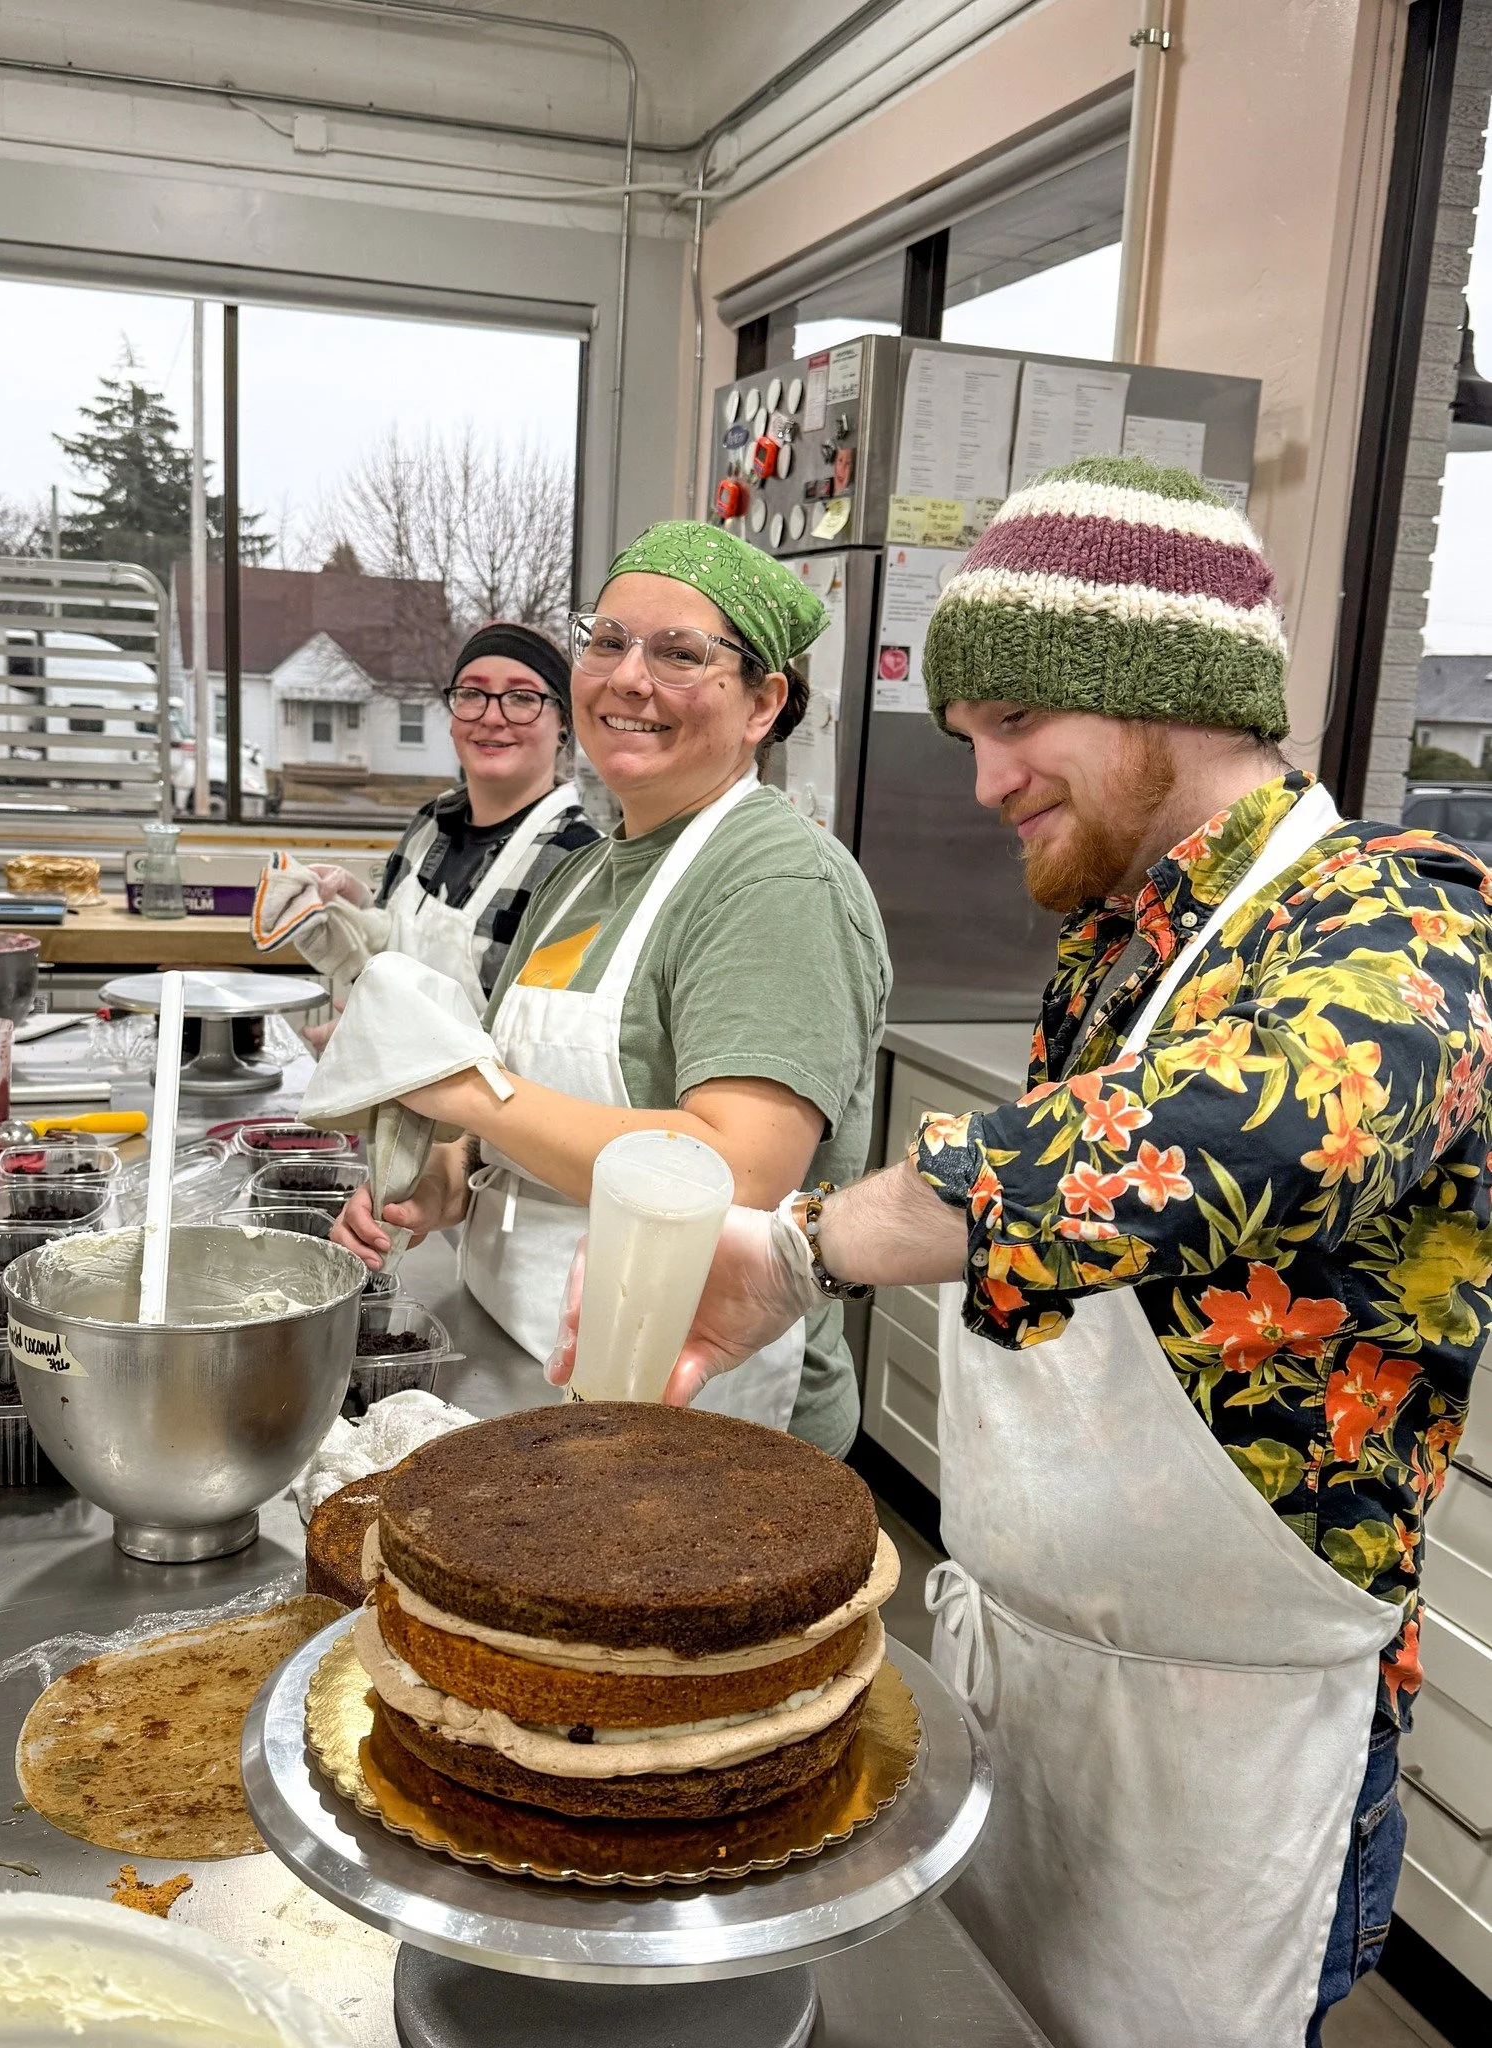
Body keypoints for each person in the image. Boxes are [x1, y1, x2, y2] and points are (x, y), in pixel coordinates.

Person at [550, 461, 1491, 2048]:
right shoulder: (1118, 946)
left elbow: (1250, 1133)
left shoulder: (1396, 925)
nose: (986, 785)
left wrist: (807, 1245)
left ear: (1165, 697)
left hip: (1231, 1750)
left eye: (1010, 727)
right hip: (1031, 1679)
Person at [332, 521, 891, 1453]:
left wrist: (469, 1094)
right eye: (607, 641)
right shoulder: (585, 875)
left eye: (680, 653)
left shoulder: (776, 883)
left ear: (762, 704)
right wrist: (449, 1177)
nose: (629, 678)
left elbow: (736, 1171)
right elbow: (529, 1110)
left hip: (702, 1420)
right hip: (531, 1365)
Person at [252, 623, 598, 1020]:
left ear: (564, 726)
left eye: (521, 698)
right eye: (471, 694)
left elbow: (550, 1039)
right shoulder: (431, 823)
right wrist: (359, 906)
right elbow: (402, 953)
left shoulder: (580, 860)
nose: (491, 716)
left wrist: (392, 1044)